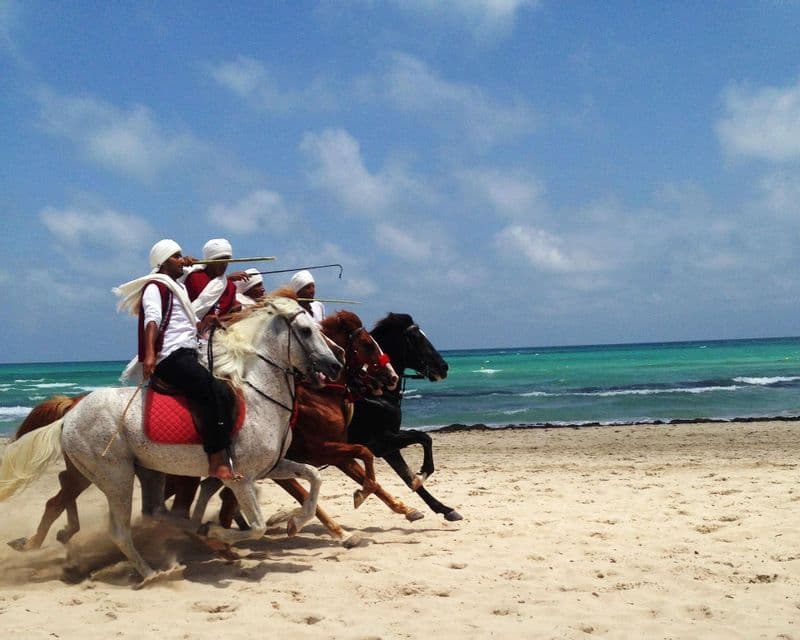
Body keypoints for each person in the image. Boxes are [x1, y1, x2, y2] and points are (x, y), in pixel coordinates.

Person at [114, 239, 241, 481]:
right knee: (214, 391)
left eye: (182, 255)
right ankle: (216, 460)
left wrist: (205, 323)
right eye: (177, 256)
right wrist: (150, 354)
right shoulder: (155, 287)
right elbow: (152, 320)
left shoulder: (178, 288)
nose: (183, 259)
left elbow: (185, 324)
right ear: (163, 262)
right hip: (170, 356)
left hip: (188, 351)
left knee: (226, 391)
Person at [184, 238, 246, 337]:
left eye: (227, 261)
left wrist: (234, 313)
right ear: (210, 260)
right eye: (221, 260)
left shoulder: (230, 287)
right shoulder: (191, 276)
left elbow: (226, 316)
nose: (224, 264)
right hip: (186, 332)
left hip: (215, 339)